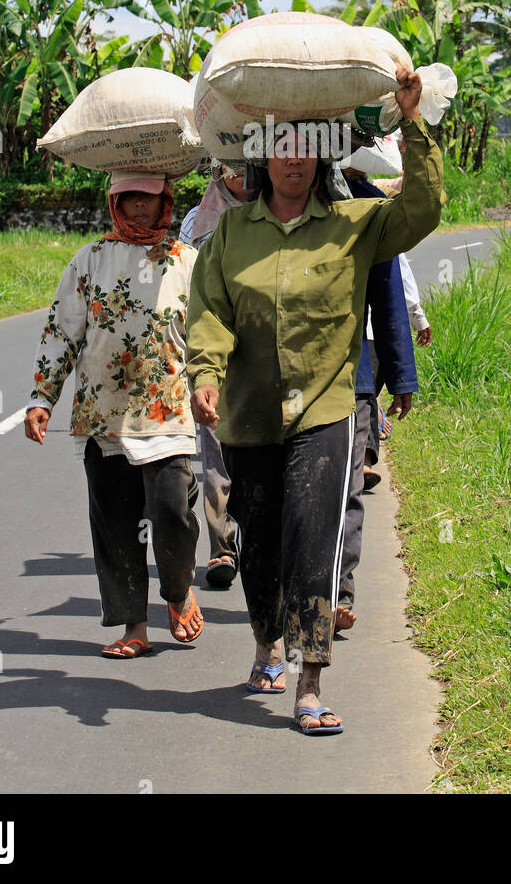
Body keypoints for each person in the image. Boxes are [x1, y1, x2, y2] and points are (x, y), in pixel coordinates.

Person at [186, 67, 443, 734]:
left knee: (314, 541)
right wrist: (205, 373)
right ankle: (265, 639)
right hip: (248, 415)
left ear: (321, 156)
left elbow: (421, 211)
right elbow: (208, 311)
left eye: (305, 147)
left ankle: (309, 678)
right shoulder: (231, 235)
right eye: (280, 147)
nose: (293, 160)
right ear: (262, 156)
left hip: (325, 412)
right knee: (261, 547)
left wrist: (412, 122)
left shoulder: (355, 225)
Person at [24, 171, 203, 657]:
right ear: (115, 202)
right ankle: (134, 626)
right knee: (116, 523)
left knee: (172, 512)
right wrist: (43, 398)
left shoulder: (188, 262)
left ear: (166, 201)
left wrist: (211, 387)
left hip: (167, 413)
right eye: (130, 199)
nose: (140, 209)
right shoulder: (89, 260)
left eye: (149, 199)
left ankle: (178, 586)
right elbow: (62, 332)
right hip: (103, 417)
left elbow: (209, 334)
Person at [335, 163, 418, 630]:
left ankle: (338, 589)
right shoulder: (263, 201)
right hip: (276, 381)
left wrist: (401, 374)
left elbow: (387, 294)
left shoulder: (367, 204)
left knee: (346, 492)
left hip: (354, 378)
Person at [178, 164, 255, 589]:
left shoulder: (276, 211)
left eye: (248, 165)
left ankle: (262, 538)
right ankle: (223, 546)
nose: (241, 174)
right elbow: (186, 291)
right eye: (231, 166)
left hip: (263, 353)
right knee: (214, 450)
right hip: (214, 354)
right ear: (217, 169)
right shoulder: (197, 224)